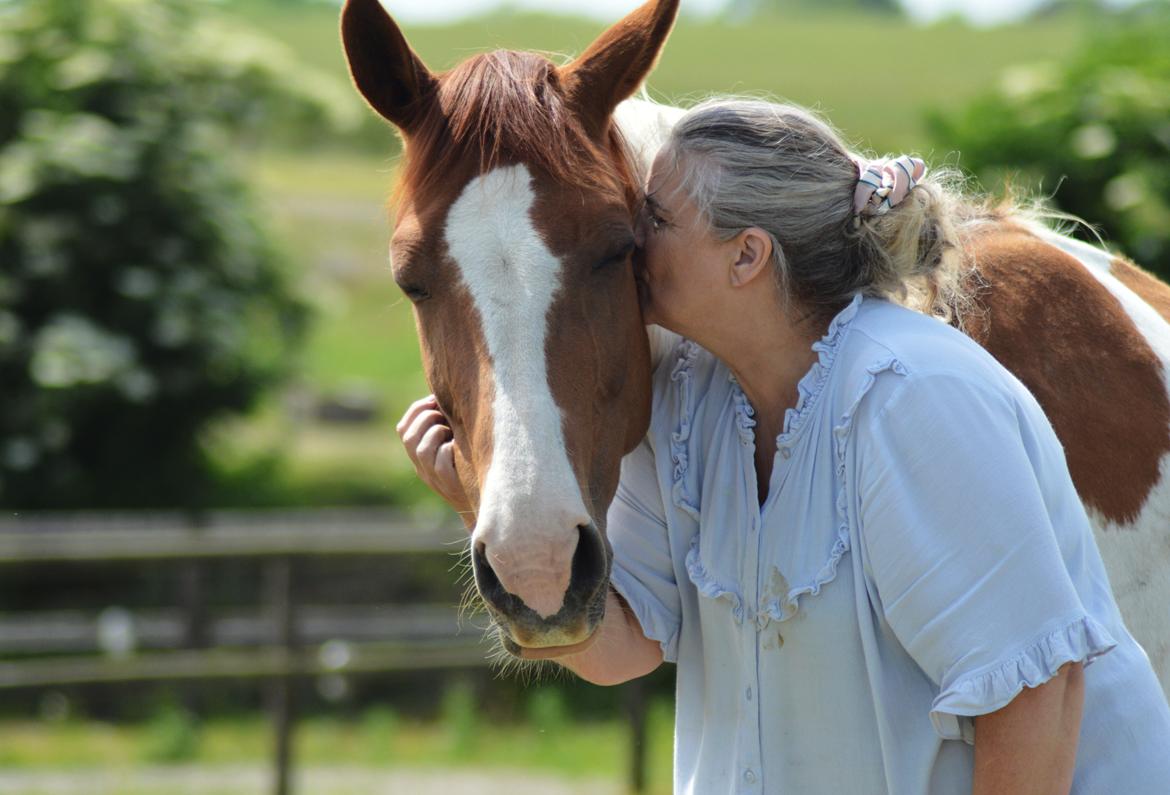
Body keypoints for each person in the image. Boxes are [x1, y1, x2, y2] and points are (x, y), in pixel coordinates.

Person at [398, 98, 1170, 794]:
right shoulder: (691, 400)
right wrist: (482, 504)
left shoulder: (912, 396)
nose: (633, 242)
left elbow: (1037, 691)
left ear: (748, 256)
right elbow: (620, 648)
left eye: (657, 222)